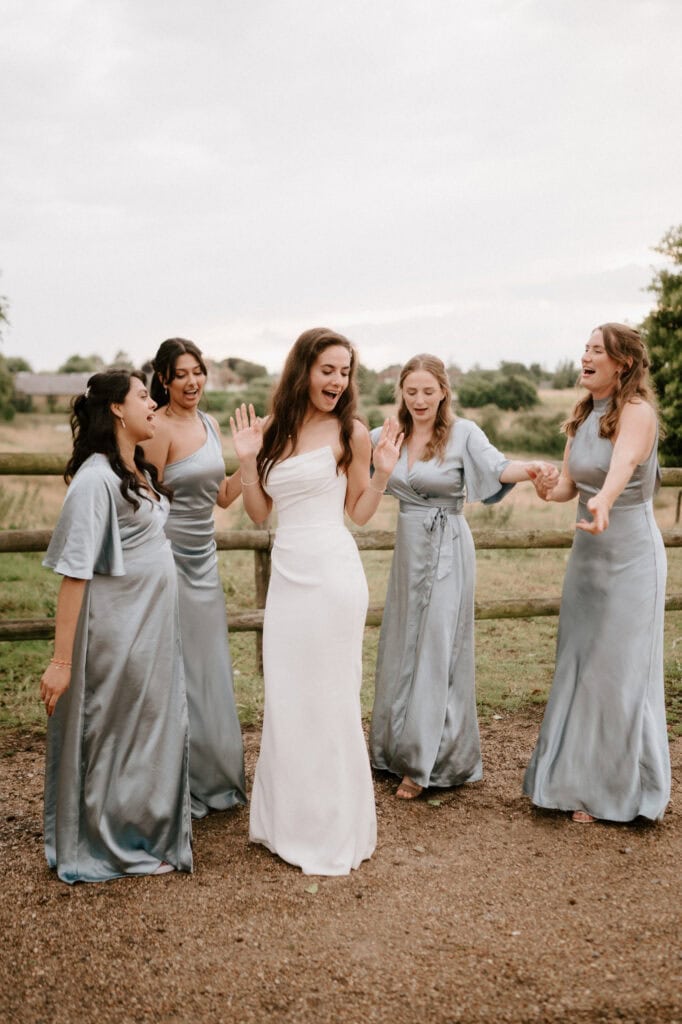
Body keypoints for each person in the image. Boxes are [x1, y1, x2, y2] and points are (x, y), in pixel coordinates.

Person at [230, 327, 402, 875]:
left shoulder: (350, 430)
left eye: (345, 371)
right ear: (303, 369)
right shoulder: (273, 431)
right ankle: (286, 824)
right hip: (288, 574)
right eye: (329, 369)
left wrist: (382, 476)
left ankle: (332, 826)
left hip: (332, 574)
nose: (338, 380)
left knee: (330, 696)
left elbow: (359, 510)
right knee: (287, 694)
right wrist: (247, 458)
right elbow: (258, 513)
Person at [369, 353, 558, 800]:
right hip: (407, 549)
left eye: (428, 391)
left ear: (443, 392)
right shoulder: (385, 435)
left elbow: (498, 468)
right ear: (401, 392)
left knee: (437, 646)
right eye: (411, 391)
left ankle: (425, 761)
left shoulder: (462, 434)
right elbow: (350, 462)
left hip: (446, 546)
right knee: (401, 642)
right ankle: (392, 751)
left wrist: (531, 468)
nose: (419, 400)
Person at [40, 370, 193, 883]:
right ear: (117, 411)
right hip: (117, 629)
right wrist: (61, 663)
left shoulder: (137, 466)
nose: (155, 402)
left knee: (144, 728)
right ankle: (102, 843)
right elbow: (74, 573)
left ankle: (139, 831)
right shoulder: (95, 479)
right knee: (111, 731)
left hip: (150, 628)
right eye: (144, 396)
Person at [523, 324, 670, 824]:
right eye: (584, 348)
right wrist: (549, 488)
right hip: (587, 555)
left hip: (631, 555)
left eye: (596, 350)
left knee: (619, 669)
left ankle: (619, 790)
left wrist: (605, 499)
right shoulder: (584, 414)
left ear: (622, 363)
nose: (585, 356)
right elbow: (570, 486)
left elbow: (625, 463)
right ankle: (572, 782)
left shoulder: (638, 413)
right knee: (581, 662)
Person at [143, 338, 246, 819]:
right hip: (169, 558)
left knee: (207, 667)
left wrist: (249, 460)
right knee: (174, 668)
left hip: (205, 559)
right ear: (163, 379)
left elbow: (223, 497)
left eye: (198, 372)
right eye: (181, 374)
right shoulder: (157, 428)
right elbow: (143, 501)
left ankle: (213, 773)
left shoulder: (208, 422)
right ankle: (174, 781)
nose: (192, 382)